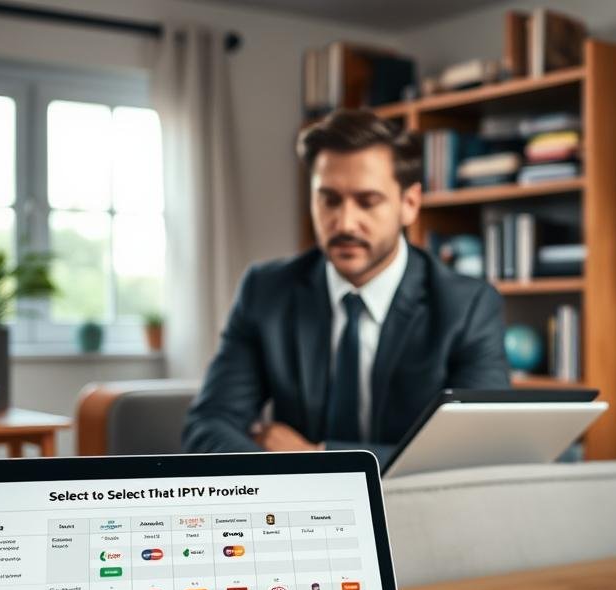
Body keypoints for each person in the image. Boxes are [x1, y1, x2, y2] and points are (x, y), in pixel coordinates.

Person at [182, 108, 509, 462]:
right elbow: (209, 425)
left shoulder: (469, 306)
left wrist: (317, 456)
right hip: (300, 495)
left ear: (409, 204)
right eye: (329, 199)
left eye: (367, 202)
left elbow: (480, 449)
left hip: (408, 496)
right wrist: (281, 475)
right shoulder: (265, 291)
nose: (345, 223)